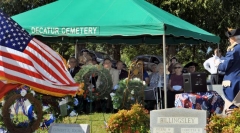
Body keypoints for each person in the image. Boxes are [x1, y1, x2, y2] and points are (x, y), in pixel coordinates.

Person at [215, 28, 240, 115]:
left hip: (233, 83)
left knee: (231, 108)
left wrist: (218, 64)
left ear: (233, 38)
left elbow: (224, 67)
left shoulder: (233, 50)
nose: (229, 40)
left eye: (229, 38)